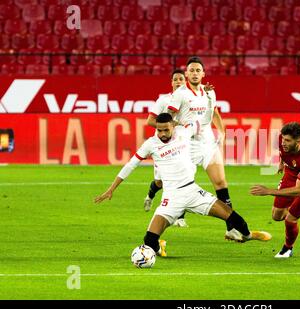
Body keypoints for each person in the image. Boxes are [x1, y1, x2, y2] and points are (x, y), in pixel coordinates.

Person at [94, 113, 271, 258]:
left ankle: (248, 236)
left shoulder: (183, 132)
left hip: (192, 191)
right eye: (159, 130)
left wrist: (207, 97)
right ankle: (158, 248)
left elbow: (203, 119)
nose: (162, 134)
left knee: (233, 218)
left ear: (173, 126)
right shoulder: (150, 144)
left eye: (166, 130)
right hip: (171, 197)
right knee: (149, 241)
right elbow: (130, 165)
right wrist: (111, 189)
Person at [166, 56, 238, 238]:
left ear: (203, 74)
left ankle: (231, 227)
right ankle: (168, 221)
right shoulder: (180, 94)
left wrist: (222, 132)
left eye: (198, 70)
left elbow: (213, 113)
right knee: (181, 185)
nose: (195, 73)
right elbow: (168, 118)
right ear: (187, 73)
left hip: (206, 143)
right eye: (191, 70)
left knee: (221, 183)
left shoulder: (210, 93)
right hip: (186, 146)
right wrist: (178, 131)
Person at [250, 122, 300, 259]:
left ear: (298, 141)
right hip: (291, 173)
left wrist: (269, 191)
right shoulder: (283, 143)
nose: (283, 143)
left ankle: (287, 249)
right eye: (283, 139)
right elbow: (283, 152)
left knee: (290, 219)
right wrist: (281, 164)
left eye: (287, 140)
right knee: (277, 216)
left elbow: (298, 190)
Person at [144, 69, 188, 228]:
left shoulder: (190, 100)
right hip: (163, 146)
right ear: (171, 82)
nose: (178, 82)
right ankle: (150, 195)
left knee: (182, 178)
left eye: (181, 79)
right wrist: (167, 127)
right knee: (161, 182)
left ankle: (180, 216)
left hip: (182, 145)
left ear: (186, 81)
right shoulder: (164, 100)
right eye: (175, 79)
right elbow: (150, 121)